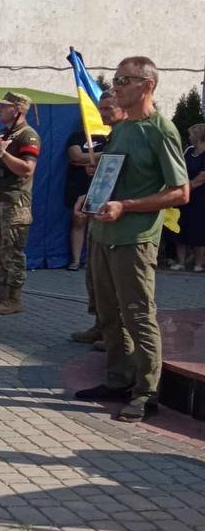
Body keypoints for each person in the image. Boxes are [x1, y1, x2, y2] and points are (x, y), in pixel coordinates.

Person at [74, 57, 189, 423]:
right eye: (117, 79)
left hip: (134, 238)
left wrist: (127, 206)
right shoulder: (122, 128)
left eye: (124, 80)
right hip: (103, 232)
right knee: (109, 314)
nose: (116, 87)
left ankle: (146, 392)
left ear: (147, 85)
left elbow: (181, 192)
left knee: (138, 316)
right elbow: (112, 177)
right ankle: (118, 379)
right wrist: (89, 196)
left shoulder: (161, 131)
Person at [70, 89, 125, 344]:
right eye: (101, 109)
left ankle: (117, 333)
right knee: (95, 275)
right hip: (99, 210)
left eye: (108, 109)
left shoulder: (128, 135)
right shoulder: (112, 137)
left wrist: (100, 161)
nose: (103, 114)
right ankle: (100, 324)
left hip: (118, 216)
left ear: (123, 108)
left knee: (113, 280)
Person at [0, 92, 40, 315]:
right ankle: (2, 293)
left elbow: (27, 169)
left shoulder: (27, 136)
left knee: (12, 253)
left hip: (15, 204)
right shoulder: (6, 133)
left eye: (5, 106)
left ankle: (14, 299)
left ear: (18, 109)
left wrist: (3, 152)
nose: (0, 110)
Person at [65, 120, 111, 271]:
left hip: (99, 185)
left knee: (96, 222)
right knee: (78, 221)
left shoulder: (106, 138)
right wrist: (99, 157)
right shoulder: (76, 137)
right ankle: (76, 260)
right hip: (78, 185)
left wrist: (91, 160)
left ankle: (92, 260)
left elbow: (112, 157)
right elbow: (76, 156)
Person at [173, 123, 205, 271]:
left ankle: (198, 264)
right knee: (180, 228)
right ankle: (181, 262)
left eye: (191, 134)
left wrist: (186, 188)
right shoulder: (189, 151)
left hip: (200, 197)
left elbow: (202, 177)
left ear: (199, 137)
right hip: (184, 196)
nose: (189, 137)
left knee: (198, 230)